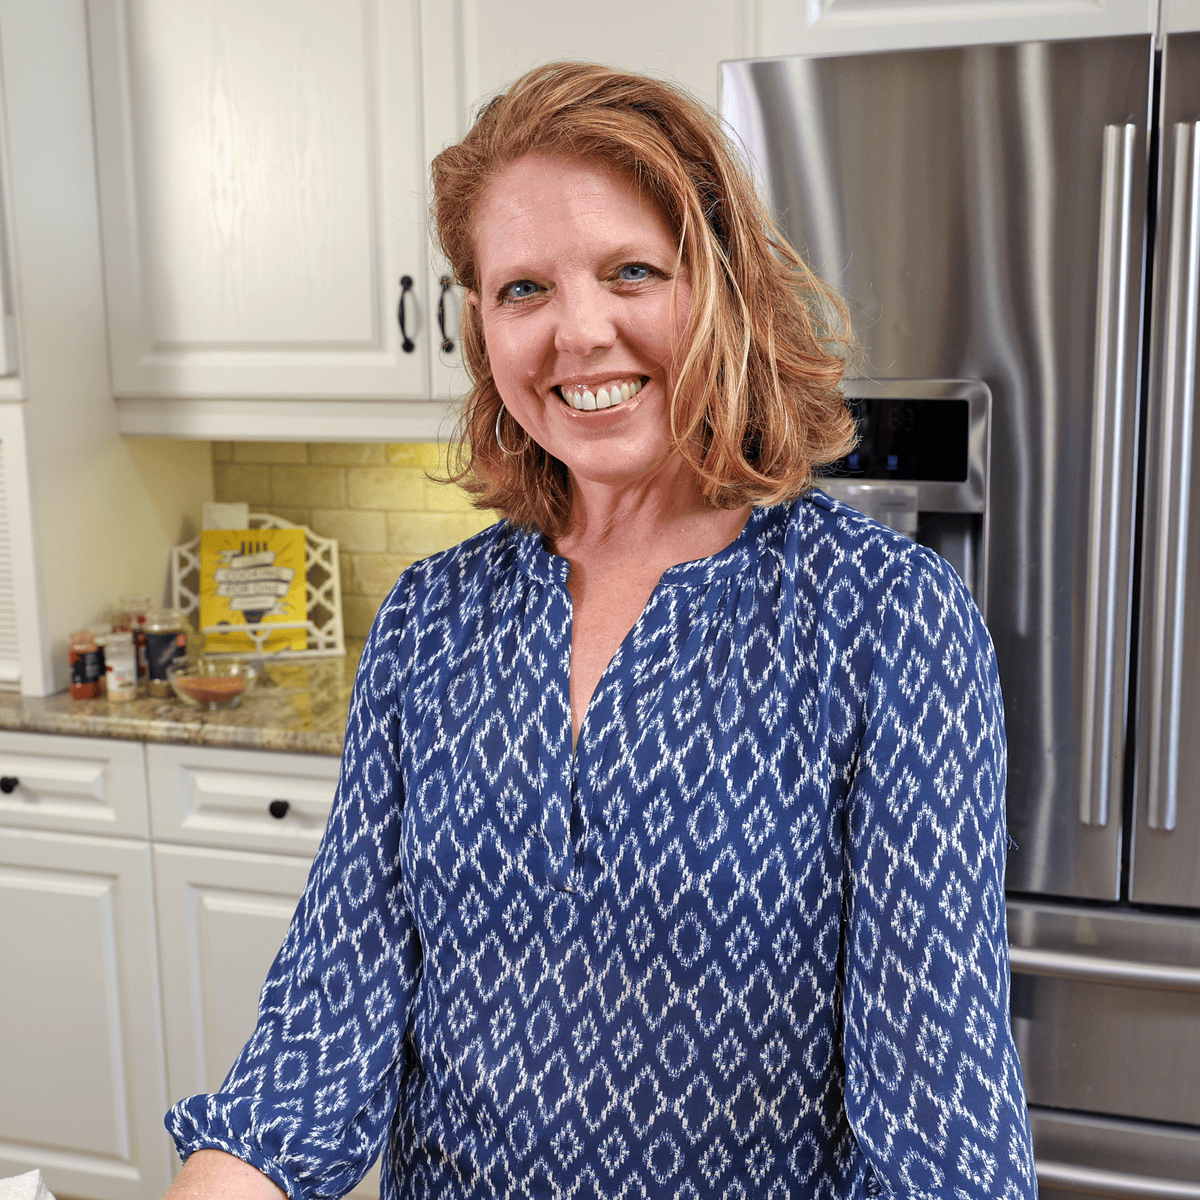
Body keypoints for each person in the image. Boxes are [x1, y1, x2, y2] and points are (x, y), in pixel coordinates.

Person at [164, 62, 1036, 1200]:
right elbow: (317, 1049)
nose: (579, 333)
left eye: (631, 271)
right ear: (480, 325)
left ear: (719, 289)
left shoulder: (887, 622)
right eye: (523, 290)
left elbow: (941, 1144)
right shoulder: (431, 623)